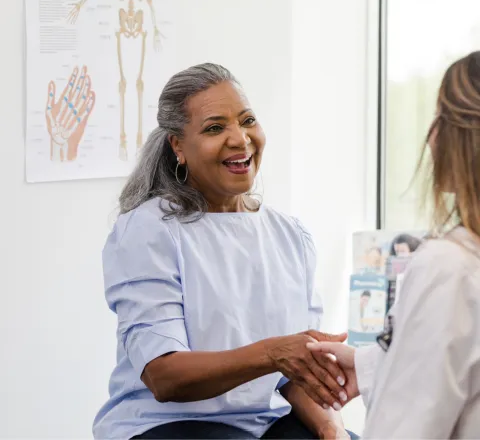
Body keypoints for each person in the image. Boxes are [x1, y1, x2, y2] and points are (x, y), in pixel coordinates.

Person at [93, 63, 358, 439]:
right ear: (178, 146)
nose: (240, 139)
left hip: (264, 423)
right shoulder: (150, 231)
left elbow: (296, 374)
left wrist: (333, 431)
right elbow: (164, 376)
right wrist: (272, 353)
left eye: (247, 120)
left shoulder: (291, 235)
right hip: (169, 425)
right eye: (215, 128)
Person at [307, 51, 480, 438]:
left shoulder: (449, 267)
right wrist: (369, 366)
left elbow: (406, 428)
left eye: (439, 117)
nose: (431, 135)